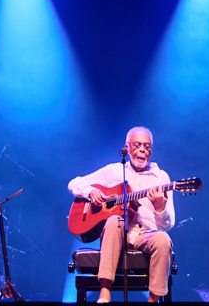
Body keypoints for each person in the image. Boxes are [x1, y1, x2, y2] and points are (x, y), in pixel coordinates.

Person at [68, 126, 174, 303]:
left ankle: (153, 300)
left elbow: (168, 225)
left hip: (146, 236)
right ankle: (104, 294)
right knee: (115, 220)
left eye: (147, 146)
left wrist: (160, 209)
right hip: (116, 235)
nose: (142, 149)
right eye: (137, 145)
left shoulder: (161, 178)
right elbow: (74, 183)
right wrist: (90, 192)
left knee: (164, 239)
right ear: (127, 147)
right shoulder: (113, 171)